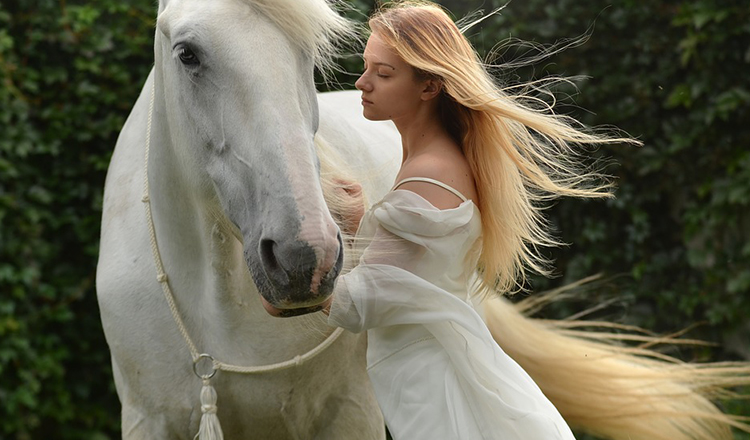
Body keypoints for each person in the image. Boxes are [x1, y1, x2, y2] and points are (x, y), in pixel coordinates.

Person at [306, 2, 748, 440]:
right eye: (366, 67)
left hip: (434, 385)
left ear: (429, 87)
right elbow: (412, 272)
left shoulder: (429, 174)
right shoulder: (434, 161)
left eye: (383, 74)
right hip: (432, 370)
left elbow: (357, 305)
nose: (362, 83)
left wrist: (296, 280)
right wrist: (361, 222)